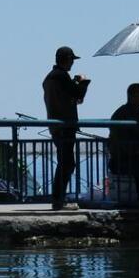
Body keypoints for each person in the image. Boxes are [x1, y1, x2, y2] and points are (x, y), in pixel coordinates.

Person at [43, 46, 90, 210]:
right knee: (67, 163)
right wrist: (83, 82)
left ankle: (58, 199)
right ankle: (58, 200)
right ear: (66, 59)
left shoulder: (49, 78)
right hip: (65, 127)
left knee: (65, 162)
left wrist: (75, 84)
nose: (72, 64)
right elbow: (77, 95)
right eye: (71, 60)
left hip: (56, 127)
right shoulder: (62, 77)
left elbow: (67, 96)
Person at [108, 83, 139, 203]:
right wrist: (137, 150)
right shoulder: (122, 115)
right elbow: (119, 142)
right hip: (122, 160)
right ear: (132, 96)